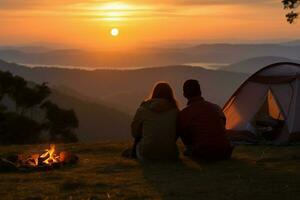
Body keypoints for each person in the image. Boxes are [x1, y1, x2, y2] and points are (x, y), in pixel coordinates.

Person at [178, 79, 233, 160]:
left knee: (188, 148)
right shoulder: (216, 107)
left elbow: (185, 138)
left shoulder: (185, 113)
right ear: (200, 92)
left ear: (184, 94)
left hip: (203, 153)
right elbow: (223, 124)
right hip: (225, 152)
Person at [130, 82, 179, 161]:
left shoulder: (143, 109)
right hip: (169, 154)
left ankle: (133, 154)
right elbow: (177, 132)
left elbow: (134, 133)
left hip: (147, 153)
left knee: (140, 134)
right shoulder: (175, 111)